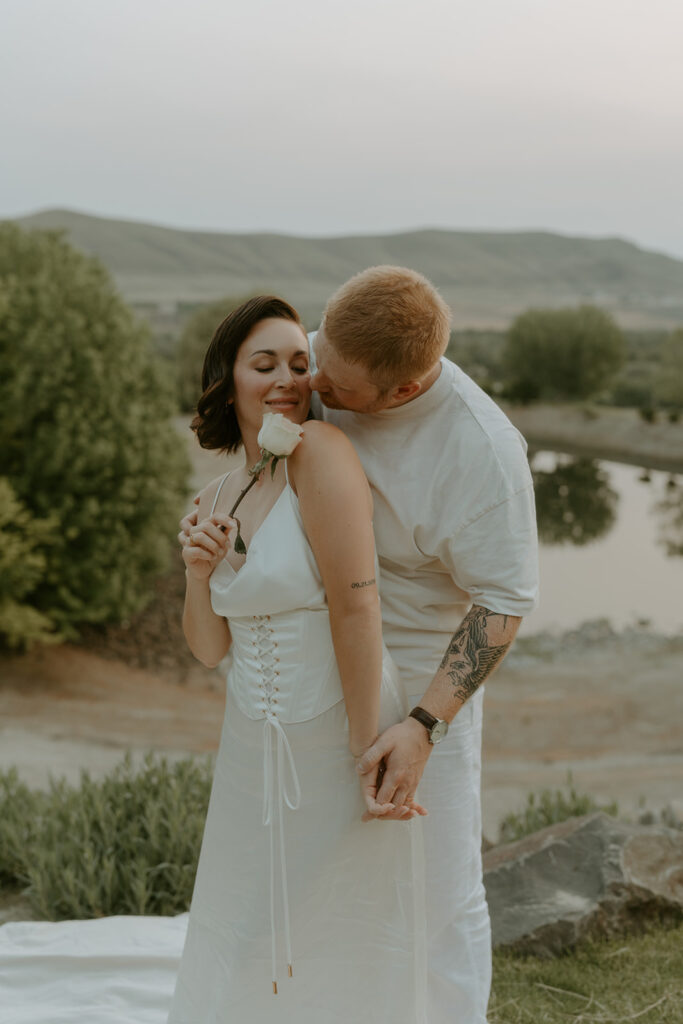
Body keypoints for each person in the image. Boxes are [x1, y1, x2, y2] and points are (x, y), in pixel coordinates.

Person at [168, 295, 429, 1024]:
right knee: (253, 910)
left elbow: (355, 603)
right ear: (228, 382)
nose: (287, 378)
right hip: (251, 735)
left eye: (299, 363)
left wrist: (362, 741)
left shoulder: (321, 454)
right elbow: (209, 645)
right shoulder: (215, 494)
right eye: (264, 363)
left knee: (340, 914)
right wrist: (196, 573)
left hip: (342, 716)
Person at [307, 266, 539, 1024]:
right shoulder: (322, 361)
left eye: (337, 387)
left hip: (418, 685)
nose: (316, 386)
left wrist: (423, 726)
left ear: (402, 391)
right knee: (319, 864)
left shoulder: (481, 454)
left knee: (438, 892)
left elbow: (502, 601)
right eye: (318, 359)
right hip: (314, 661)